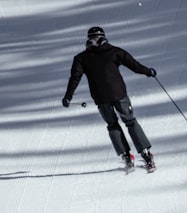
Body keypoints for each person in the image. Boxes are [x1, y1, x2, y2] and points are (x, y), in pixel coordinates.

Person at [62, 26, 157, 171]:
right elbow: (134, 65)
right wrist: (148, 71)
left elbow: (75, 78)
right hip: (117, 95)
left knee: (113, 125)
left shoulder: (83, 58)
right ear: (103, 38)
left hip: (102, 97)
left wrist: (68, 97)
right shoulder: (113, 52)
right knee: (129, 121)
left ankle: (127, 155)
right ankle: (145, 154)